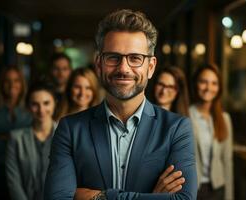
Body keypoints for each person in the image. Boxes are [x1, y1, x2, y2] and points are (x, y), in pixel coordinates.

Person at [44, 9, 197, 200]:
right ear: (99, 64)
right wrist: (151, 197)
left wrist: (101, 197)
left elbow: (183, 199)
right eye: (113, 57)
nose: (123, 68)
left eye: (135, 58)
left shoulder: (176, 128)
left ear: (150, 67)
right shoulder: (70, 129)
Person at [0, 66, 32, 199]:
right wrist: (18, 138)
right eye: (7, 81)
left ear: (22, 84)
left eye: (16, 80)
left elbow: (32, 141)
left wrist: (6, 137)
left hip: (25, 170)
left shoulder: (31, 109)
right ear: (1, 84)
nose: (12, 85)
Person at [6, 81, 57, 200]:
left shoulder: (67, 135)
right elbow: (14, 182)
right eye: (35, 104)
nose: (41, 109)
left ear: (55, 104)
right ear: (28, 107)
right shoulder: (16, 139)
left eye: (46, 103)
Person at [189, 64, 233, 200]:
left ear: (219, 88)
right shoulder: (184, 116)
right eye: (204, 82)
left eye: (214, 83)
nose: (209, 88)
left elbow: (227, 161)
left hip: (217, 189)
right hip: (192, 189)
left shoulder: (224, 119)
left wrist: (229, 196)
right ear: (196, 84)